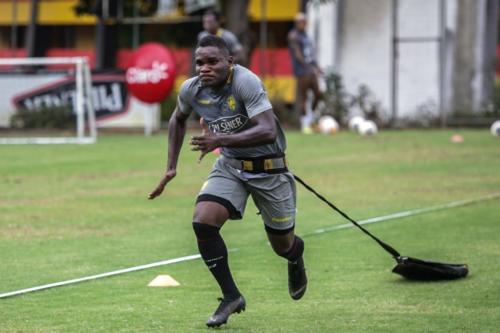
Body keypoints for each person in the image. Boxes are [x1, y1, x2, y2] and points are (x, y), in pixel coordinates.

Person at [149, 35, 307, 328]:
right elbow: (177, 119)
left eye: (212, 62)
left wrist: (219, 138)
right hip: (231, 166)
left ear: (229, 62)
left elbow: (268, 130)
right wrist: (171, 167)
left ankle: (295, 256)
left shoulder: (245, 82)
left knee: (282, 245)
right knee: (203, 222)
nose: (204, 68)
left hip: (270, 170)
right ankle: (231, 296)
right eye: (200, 62)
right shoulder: (192, 89)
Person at [288, 12, 322, 133]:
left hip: (310, 69)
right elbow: (298, 55)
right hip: (302, 70)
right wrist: (308, 66)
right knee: (304, 97)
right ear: (296, 23)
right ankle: (305, 125)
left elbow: (310, 54)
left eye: (304, 21)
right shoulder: (293, 36)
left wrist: (317, 66)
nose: (302, 24)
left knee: (318, 93)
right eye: (300, 22)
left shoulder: (306, 35)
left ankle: (311, 119)